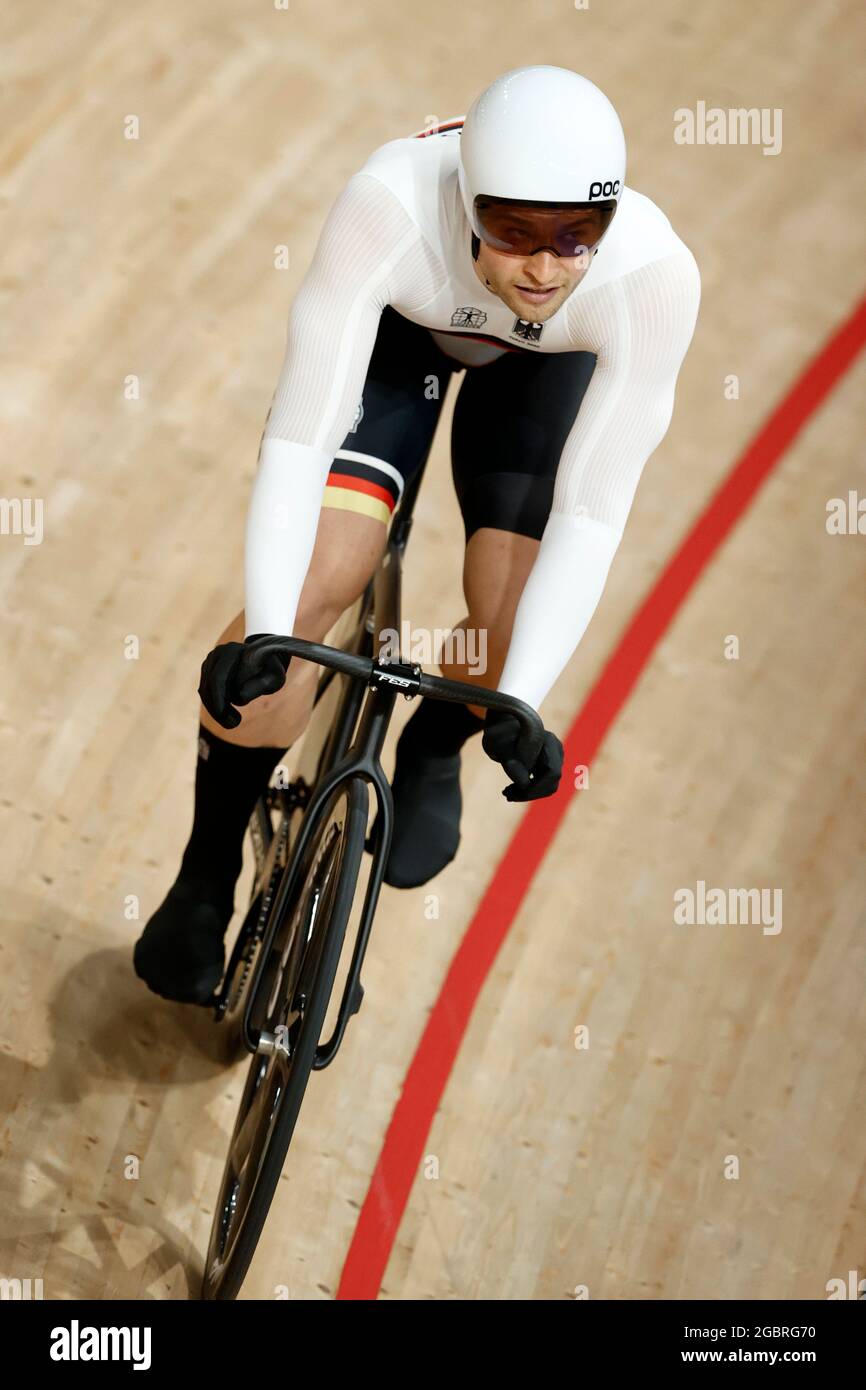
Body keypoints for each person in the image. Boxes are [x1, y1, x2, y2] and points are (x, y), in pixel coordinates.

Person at [134, 64, 701, 1004]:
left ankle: (434, 745)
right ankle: (203, 880)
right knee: (327, 573)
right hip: (403, 343)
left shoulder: (648, 277)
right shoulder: (390, 204)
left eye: (575, 237)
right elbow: (300, 432)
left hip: (538, 370)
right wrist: (276, 621)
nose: (544, 266)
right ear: (466, 198)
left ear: (610, 219)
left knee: (509, 620)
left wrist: (519, 698)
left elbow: (593, 516)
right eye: (513, 231)